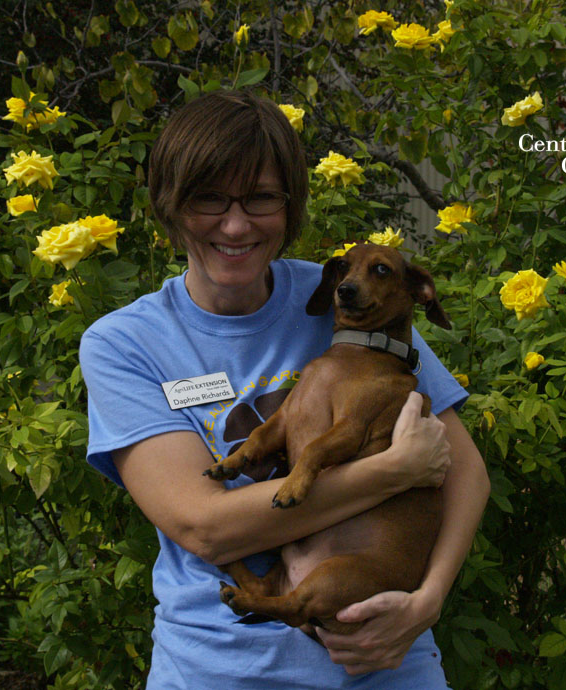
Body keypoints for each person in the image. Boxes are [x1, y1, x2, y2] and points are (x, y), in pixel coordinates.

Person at [79, 89, 490, 689]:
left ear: (291, 205)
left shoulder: (348, 301)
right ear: (170, 204)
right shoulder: (126, 343)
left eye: (262, 198)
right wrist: (393, 470)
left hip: (383, 663)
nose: (237, 223)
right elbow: (204, 526)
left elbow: (466, 472)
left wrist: (426, 603)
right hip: (219, 669)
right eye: (209, 198)